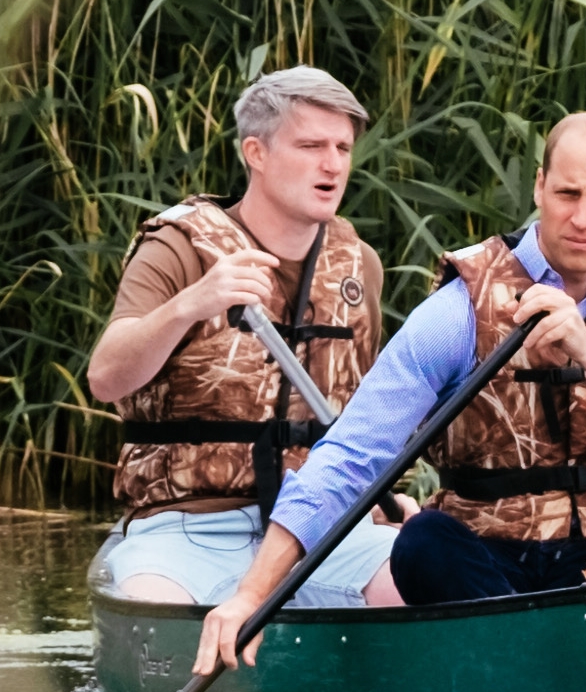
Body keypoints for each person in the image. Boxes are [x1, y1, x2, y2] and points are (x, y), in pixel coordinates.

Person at [194, 110, 586, 673]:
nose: (582, 218)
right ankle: (526, 658)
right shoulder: (460, 308)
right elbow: (351, 455)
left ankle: (542, 658)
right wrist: (252, 595)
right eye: (567, 193)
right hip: (483, 562)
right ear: (539, 187)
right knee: (421, 542)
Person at [87, 66, 406, 608]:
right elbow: (106, 377)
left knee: (425, 579)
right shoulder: (177, 247)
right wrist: (192, 304)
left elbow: (364, 413)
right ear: (255, 153)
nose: (332, 165)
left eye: (343, 147)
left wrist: (382, 498)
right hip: (186, 529)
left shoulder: (358, 266)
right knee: (153, 604)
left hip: (318, 524)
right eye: (310, 145)